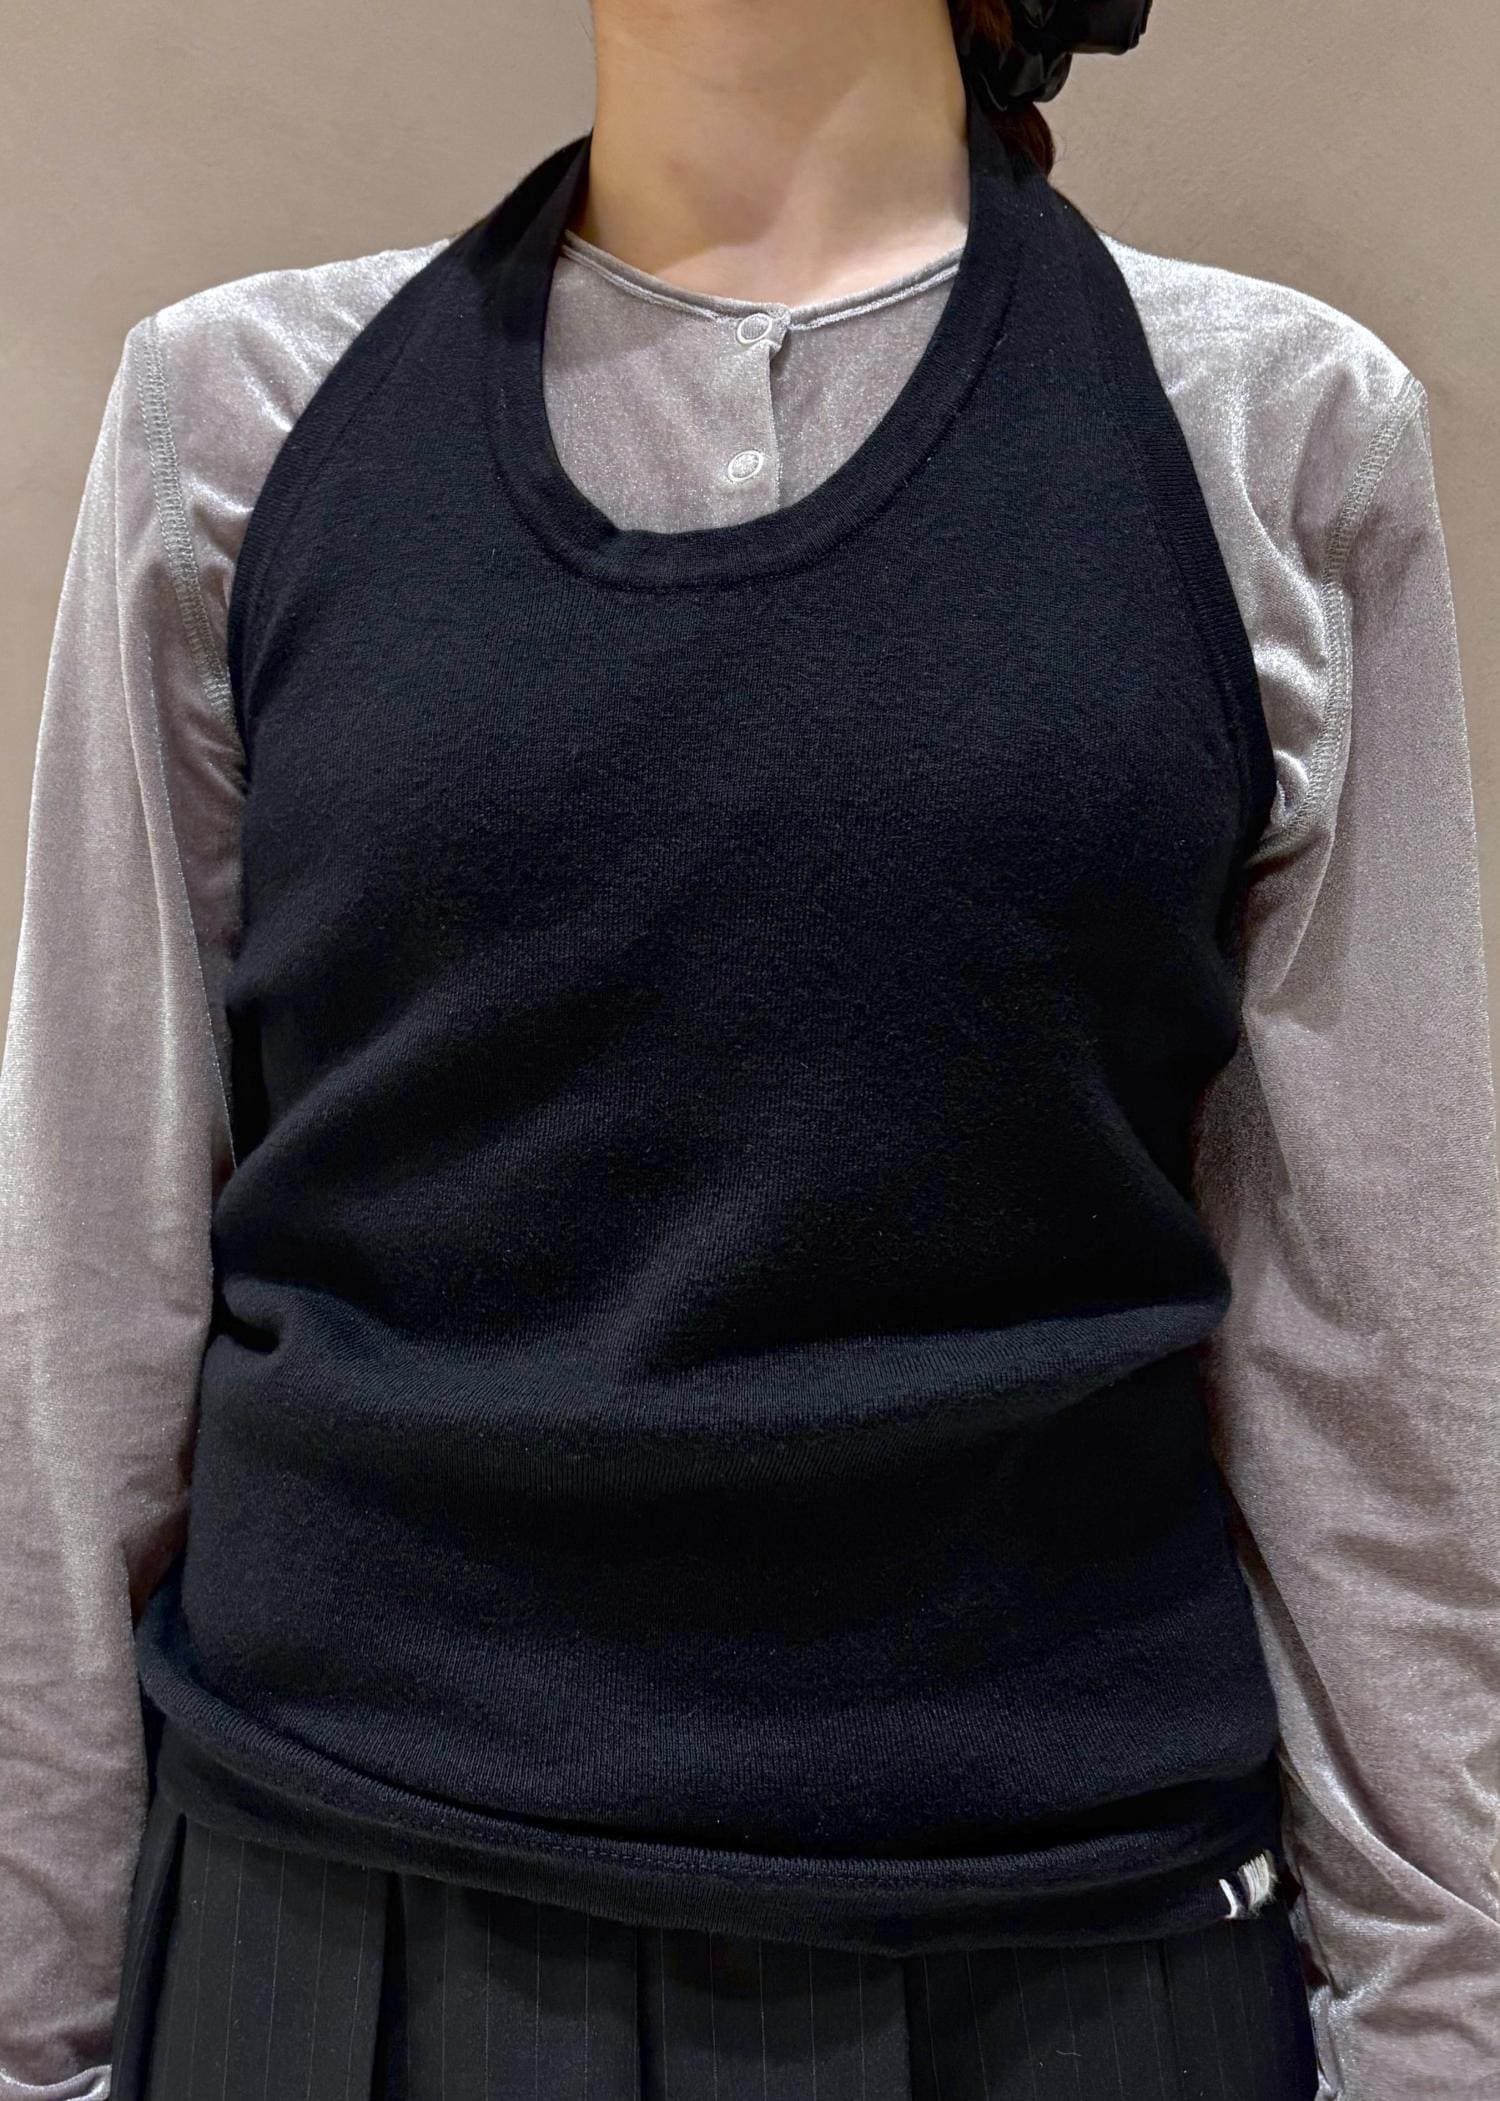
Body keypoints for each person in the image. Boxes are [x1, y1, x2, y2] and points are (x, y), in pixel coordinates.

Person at [3, 0, 1498, 2095]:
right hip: (330, 1941)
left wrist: (1442, 2039)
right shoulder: (235, 423)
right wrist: (38, 2034)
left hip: (1076, 1959)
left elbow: (1377, 1355)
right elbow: (86, 1297)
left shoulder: (1269, 437)